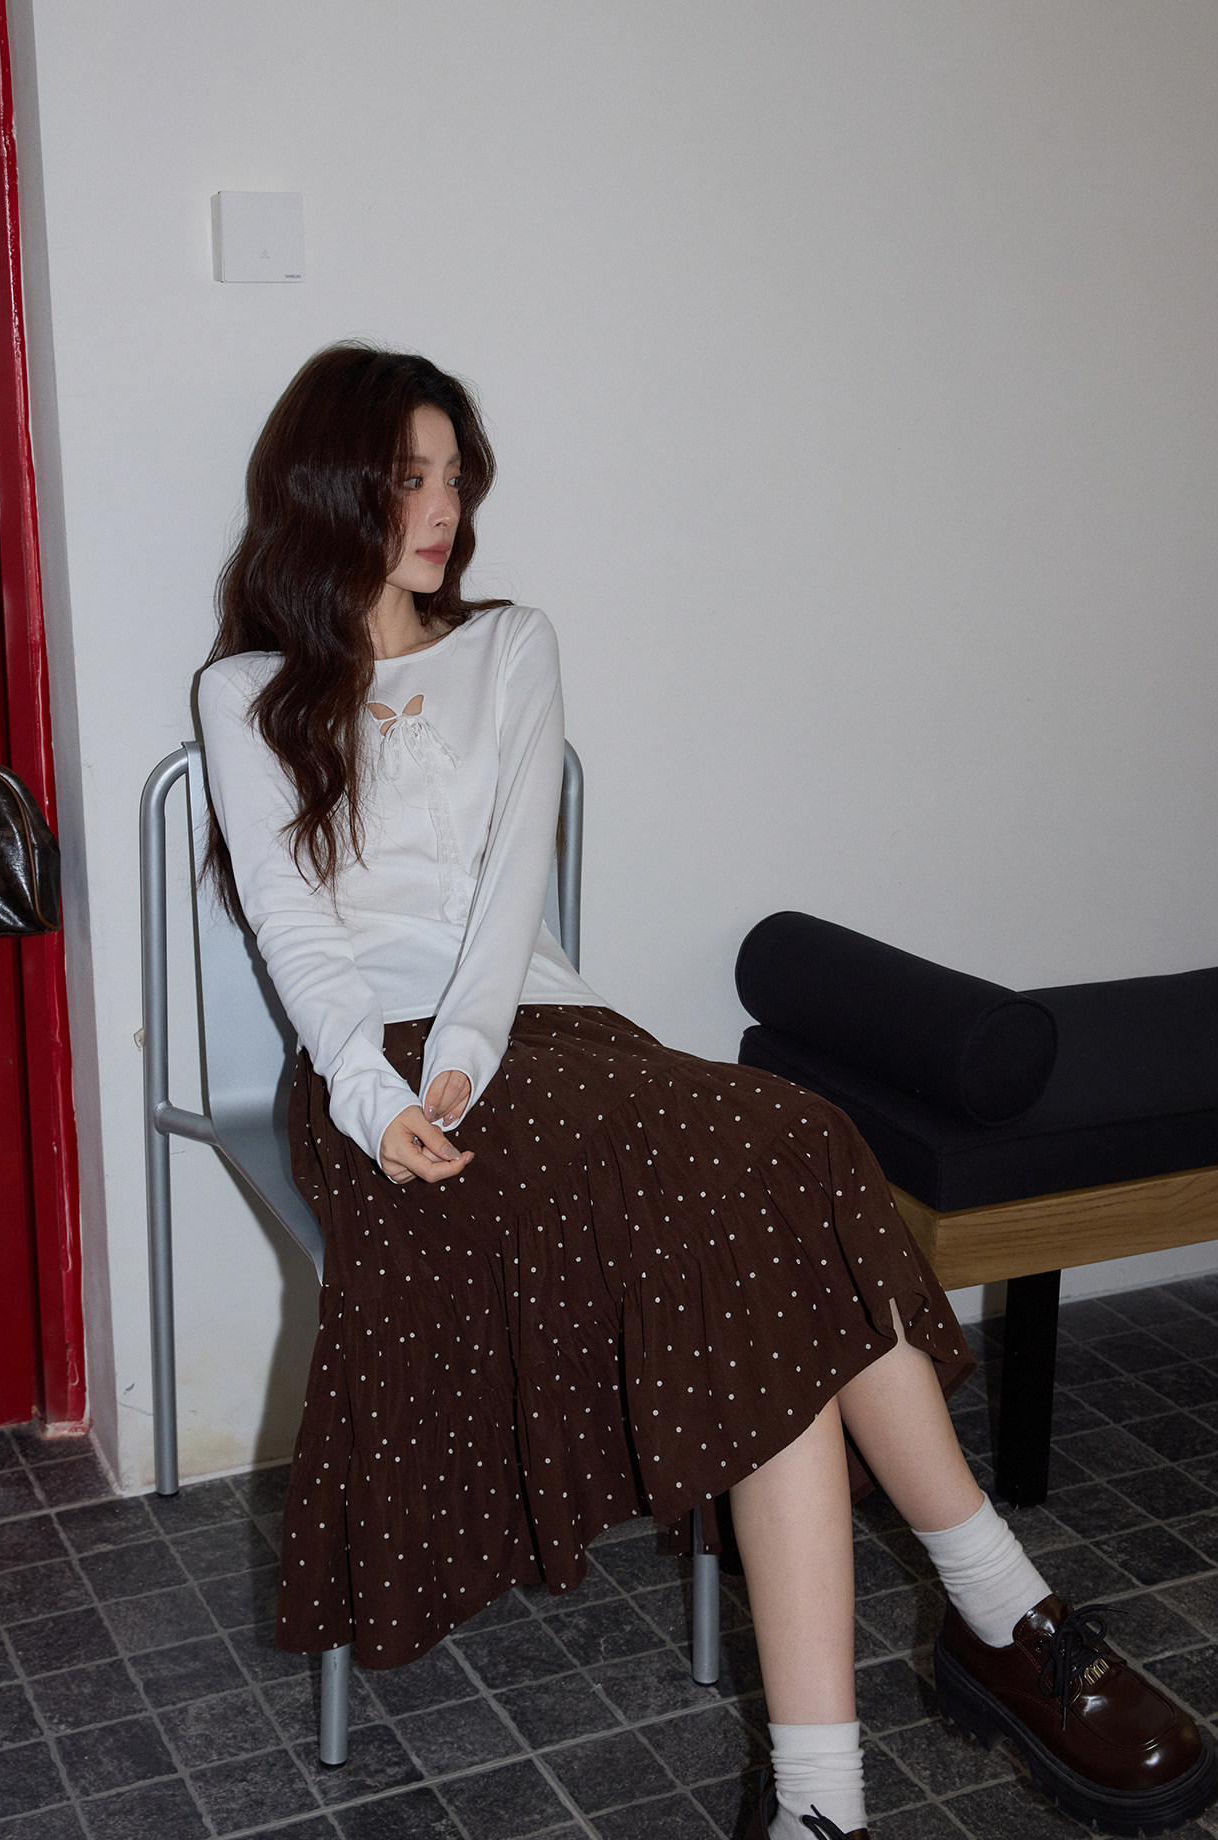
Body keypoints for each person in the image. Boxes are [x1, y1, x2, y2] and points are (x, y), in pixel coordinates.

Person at [197, 343, 1215, 1840]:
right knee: (774, 1196)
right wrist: (377, 1091)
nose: (446, 508)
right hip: (366, 1079)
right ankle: (987, 1631)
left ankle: (845, 1779)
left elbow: (512, 895)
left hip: (533, 1036)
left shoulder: (510, 646)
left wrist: (466, 1060)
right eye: (411, 477)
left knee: (788, 1151)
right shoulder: (244, 693)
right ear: (332, 486)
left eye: (457, 476)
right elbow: (299, 935)